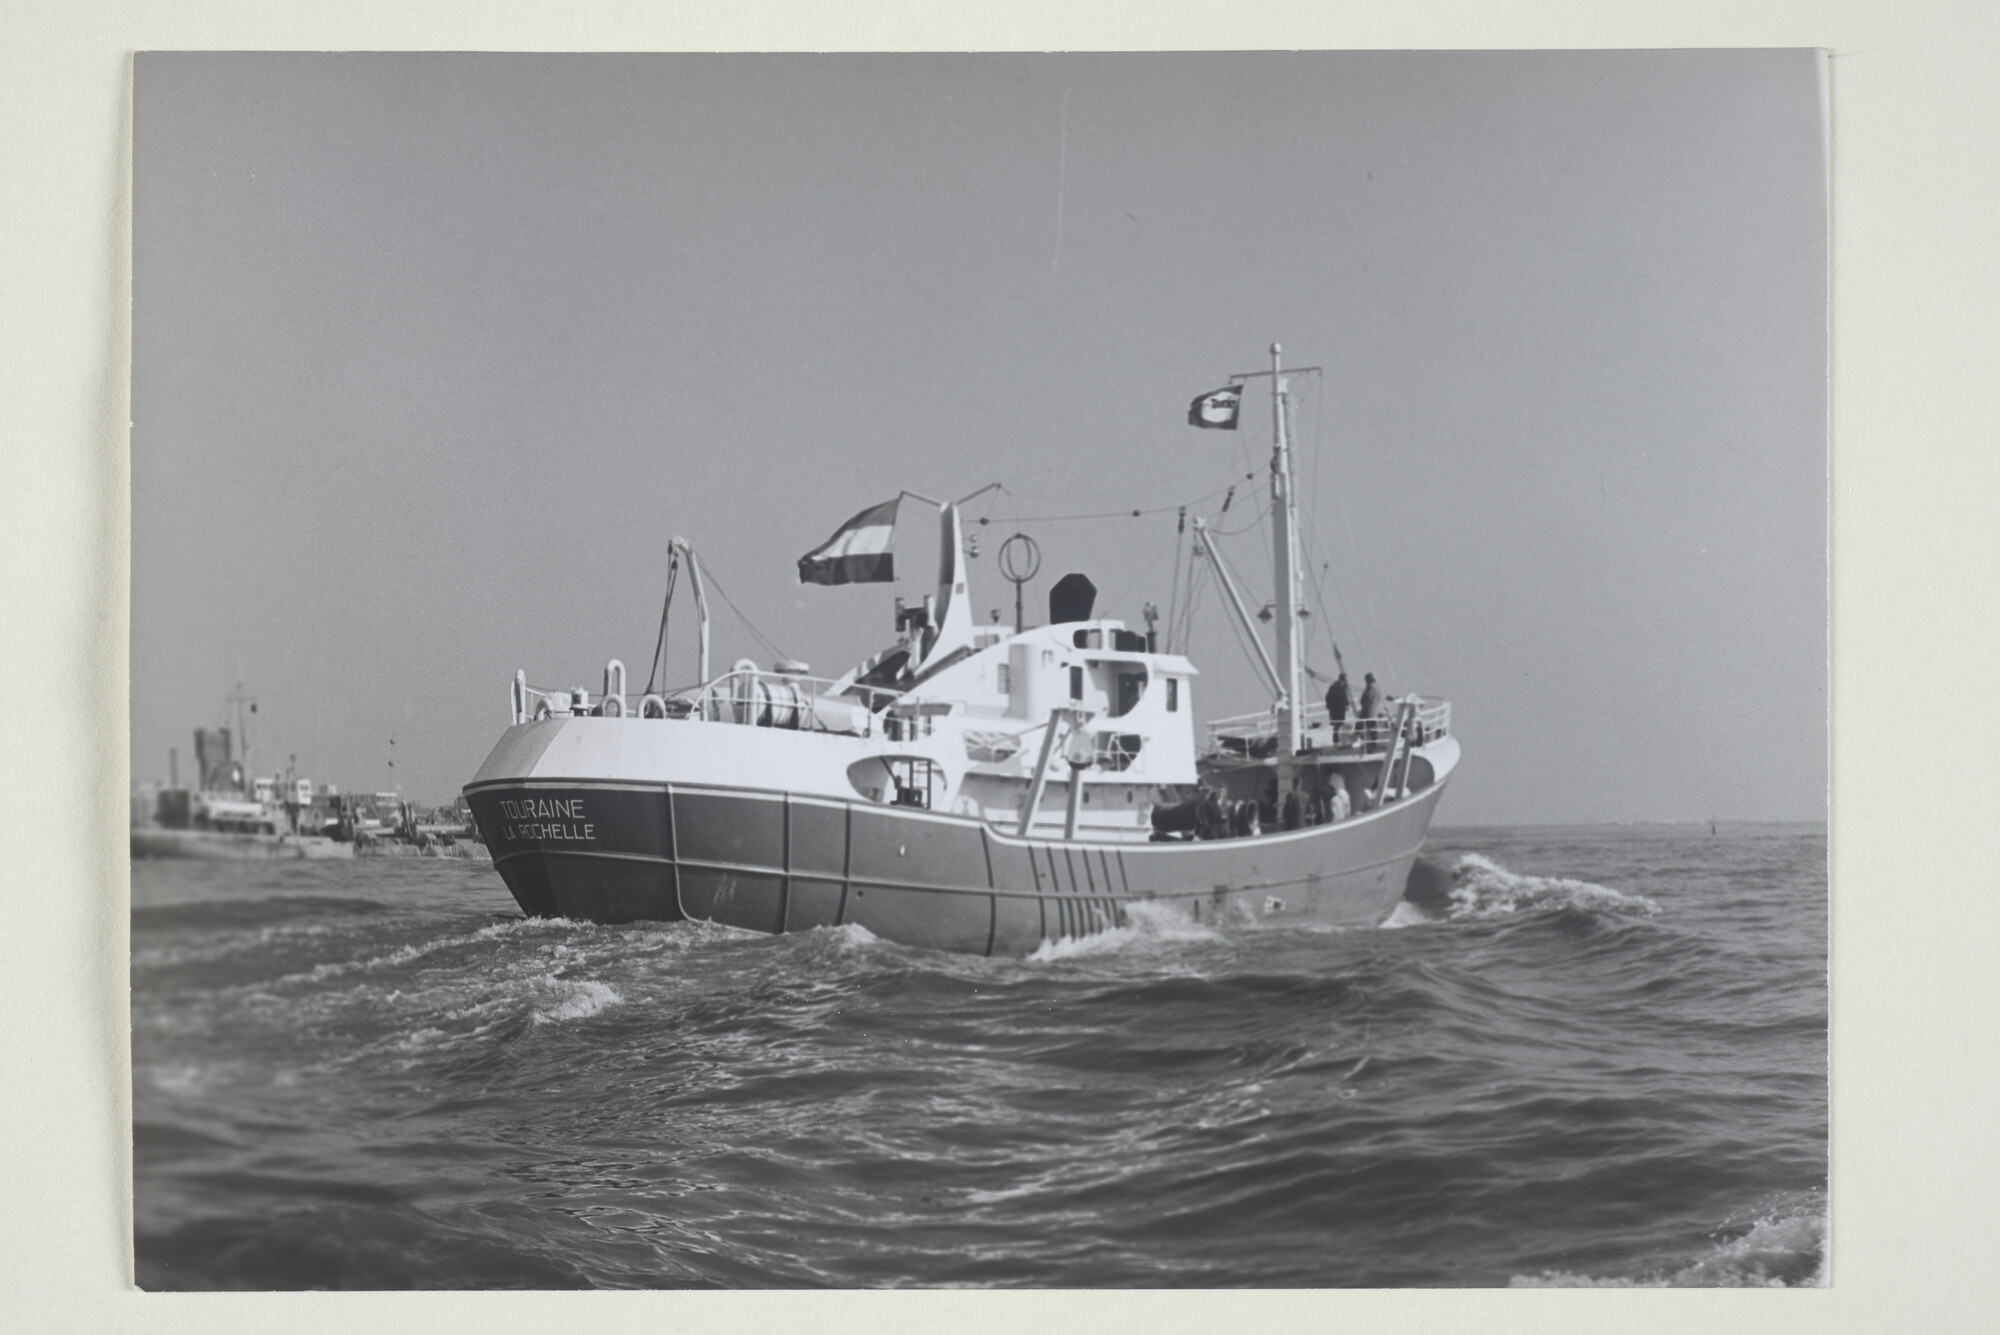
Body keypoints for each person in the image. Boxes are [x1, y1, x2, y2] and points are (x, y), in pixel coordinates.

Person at [1324, 671, 1350, 744]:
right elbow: (1328, 698)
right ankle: (1336, 742)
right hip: (1336, 710)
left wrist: (1347, 704)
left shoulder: (1343, 688)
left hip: (1341, 710)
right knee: (1336, 726)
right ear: (1342, 679)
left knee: (1339, 725)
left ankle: (1338, 741)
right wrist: (1331, 708)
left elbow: (1345, 698)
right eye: (1346, 680)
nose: (1347, 681)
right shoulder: (1334, 687)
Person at [1357, 672, 1381, 745]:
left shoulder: (1370, 686)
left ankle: (1358, 738)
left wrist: (1363, 703)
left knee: (1360, 725)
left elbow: (1367, 697)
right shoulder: (1377, 687)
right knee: (1372, 726)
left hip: (1367, 709)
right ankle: (1373, 742)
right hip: (1374, 710)